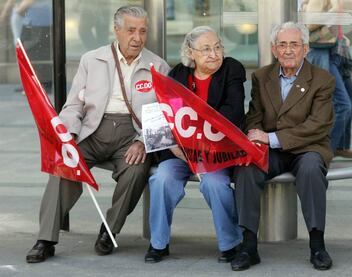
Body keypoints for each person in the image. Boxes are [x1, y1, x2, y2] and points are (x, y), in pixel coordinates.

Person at [25, 5, 170, 263]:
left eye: (142, 31)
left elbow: (163, 115)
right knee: (63, 167)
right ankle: (45, 239)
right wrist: (68, 135)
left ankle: (109, 229)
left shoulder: (158, 66)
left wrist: (142, 142)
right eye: (131, 30)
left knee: (136, 170)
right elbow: (73, 105)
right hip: (92, 129)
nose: (137, 37)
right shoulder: (92, 59)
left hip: (131, 135)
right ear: (116, 30)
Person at [231, 22, 335, 271]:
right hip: (271, 151)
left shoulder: (322, 80)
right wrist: (255, 138)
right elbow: (254, 115)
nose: (288, 50)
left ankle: (317, 245)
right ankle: (248, 246)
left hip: (308, 147)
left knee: (310, 169)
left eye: (294, 44)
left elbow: (318, 126)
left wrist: (271, 137)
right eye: (282, 45)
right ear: (274, 49)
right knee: (246, 168)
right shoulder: (261, 76)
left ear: (306, 49)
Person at [145, 26, 245, 263]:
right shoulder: (177, 74)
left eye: (218, 47)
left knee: (215, 184)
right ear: (191, 53)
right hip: (181, 153)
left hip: (216, 152)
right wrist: (172, 147)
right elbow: (162, 112)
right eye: (206, 49)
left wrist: (201, 144)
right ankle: (158, 243)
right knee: (161, 179)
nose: (214, 54)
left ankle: (230, 243)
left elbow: (233, 112)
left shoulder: (232, 69)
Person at [303, 0, 352, 158]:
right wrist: (335, 9)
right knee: (343, 104)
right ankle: (326, 149)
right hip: (323, 53)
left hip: (338, 52)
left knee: (349, 99)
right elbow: (310, 23)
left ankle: (341, 145)